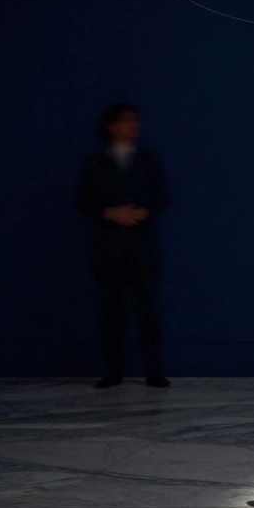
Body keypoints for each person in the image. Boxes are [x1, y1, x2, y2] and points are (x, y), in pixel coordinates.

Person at [76, 102, 170, 388]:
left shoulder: (148, 161)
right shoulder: (95, 163)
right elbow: (83, 202)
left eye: (135, 120)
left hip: (142, 246)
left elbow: (161, 197)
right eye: (126, 120)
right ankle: (113, 372)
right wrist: (110, 213)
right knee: (111, 310)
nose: (134, 125)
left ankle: (153, 371)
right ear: (111, 126)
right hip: (108, 247)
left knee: (147, 311)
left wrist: (143, 212)